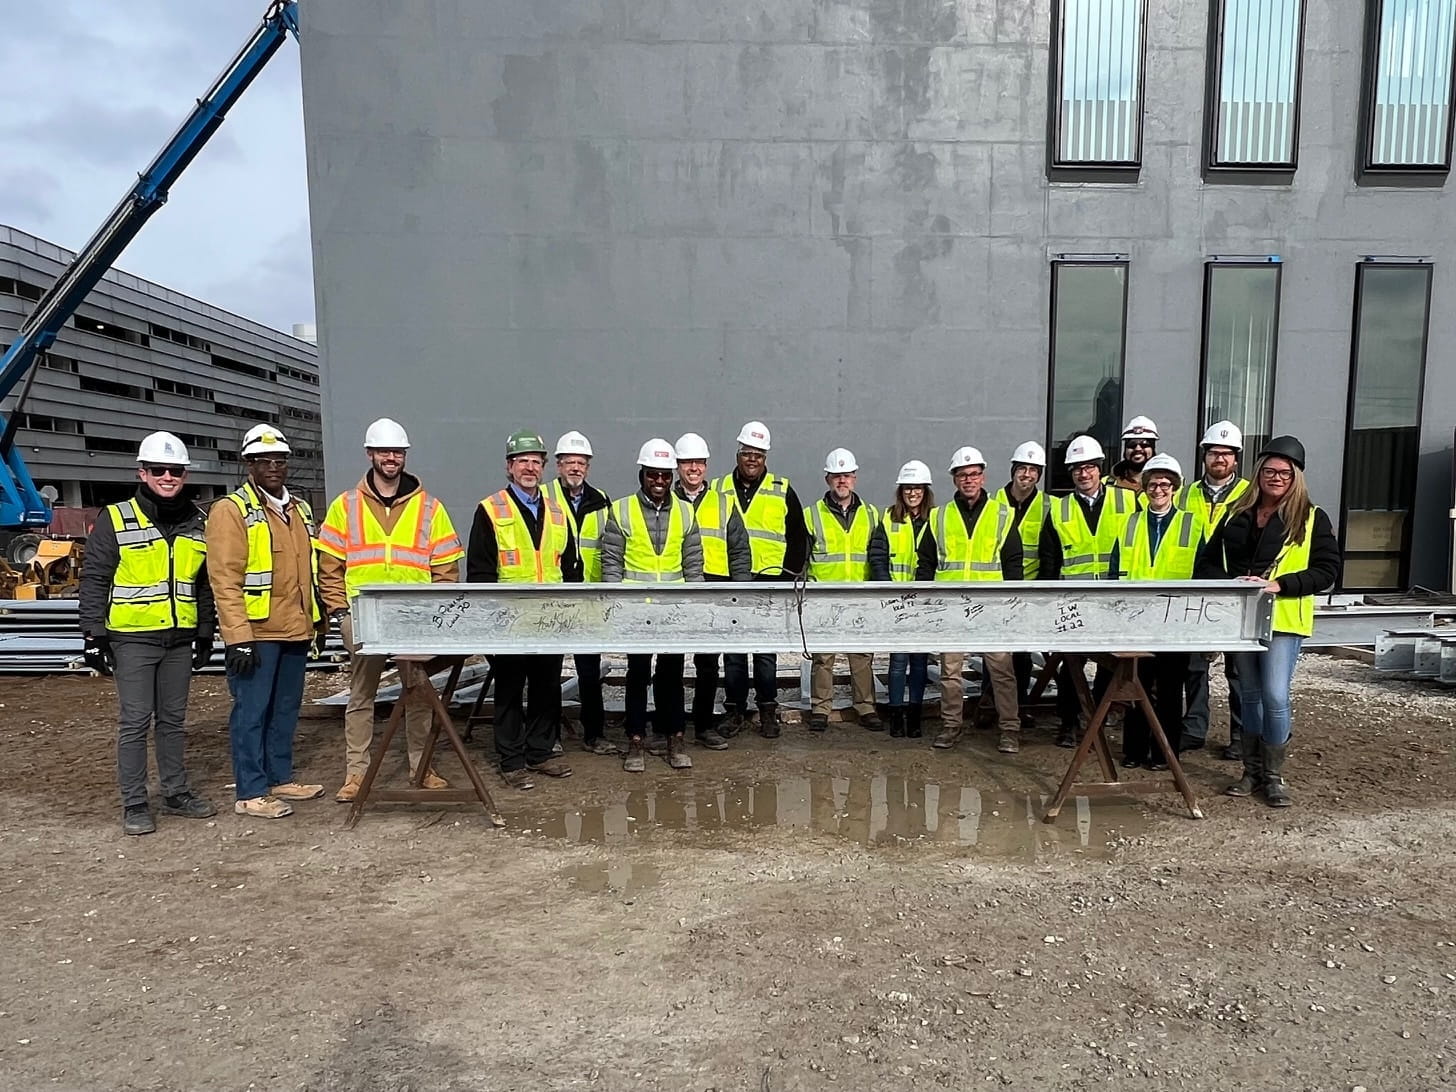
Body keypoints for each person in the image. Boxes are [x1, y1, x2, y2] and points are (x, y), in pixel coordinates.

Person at [316, 418, 465, 803]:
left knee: (417, 692)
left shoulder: (429, 507)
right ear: (370, 454)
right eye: (384, 452)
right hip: (364, 616)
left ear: (404, 456)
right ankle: (356, 774)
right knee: (361, 694)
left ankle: (421, 767)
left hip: (412, 617)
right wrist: (339, 613)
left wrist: (434, 615)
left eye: (397, 452)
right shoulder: (345, 506)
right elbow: (329, 565)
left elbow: (446, 568)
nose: (391, 458)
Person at [79, 431, 217, 835]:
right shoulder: (117, 518)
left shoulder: (198, 522)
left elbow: (203, 583)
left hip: (179, 637)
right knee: (135, 721)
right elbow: (95, 578)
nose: (168, 477)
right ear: (143, 472)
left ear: (185, 474)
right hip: (132, 639)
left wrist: (205, 633)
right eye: (159, 470)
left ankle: (176, 793)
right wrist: (93, 635)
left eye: (175, 470)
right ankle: (135, 803)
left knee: (173, 720)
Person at [1197, 436, 1340, 807]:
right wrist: (1230, 583)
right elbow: (1208, 562)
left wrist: (1281, 584)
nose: (1276, 478)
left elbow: (1326, 571)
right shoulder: (1236, 514)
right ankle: (1251, 771)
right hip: (1243, 617)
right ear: (1258, 474)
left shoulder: (1311, 517)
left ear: (1296, 479)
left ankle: (1274, 775)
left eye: (1284, 473)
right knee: (1249, 696)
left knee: (1275, 696)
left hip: (1284, 618)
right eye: (1270, 471)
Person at [206, 424, 325, 819]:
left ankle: (280, 776)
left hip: (294, 627)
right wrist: (238, 637)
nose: (273, 467)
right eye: (263, 460)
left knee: (286, 707)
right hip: (256, 634)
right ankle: (251, 790)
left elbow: (308, 569)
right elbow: (225, 578)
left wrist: (316, 621)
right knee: (251, 712)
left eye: (279, 460)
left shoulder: (299, 510)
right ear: (248, 464)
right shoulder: (232, 510)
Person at [465, 430, 581, 790]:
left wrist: (570, 612)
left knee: (547, 686)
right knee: (511, 688)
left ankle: (540, 752)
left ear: (544, 468)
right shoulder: (490, 509)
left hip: (549, 616)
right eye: (522, 461)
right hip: (509, 619)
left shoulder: (559, 513)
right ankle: (512, 760)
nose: (529, 468)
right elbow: (480, 572)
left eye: (536, 462)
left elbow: (571, 568)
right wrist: (490, 622)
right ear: (509, 467)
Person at [601, 439, 705, 772]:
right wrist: (615, 605)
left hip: (671, 610)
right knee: (637, 674)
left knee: (672, 675)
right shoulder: (621, 510)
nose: (659, 482)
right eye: (653, 476)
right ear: (642, 474)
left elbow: (693, 564)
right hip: (636, 609)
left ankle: (675, 737)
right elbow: (612, 562)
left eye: (664, 476)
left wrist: (694, 605)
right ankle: (635, 741)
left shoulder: (686, 513)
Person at [1039, 434, 1138, 747]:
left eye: (1089, 467)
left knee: (1110, 666)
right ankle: (1068, 722)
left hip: (1113, 598)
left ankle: (1095, 718)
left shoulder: (1127, 501)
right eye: (1077, 469)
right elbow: (1049, 558)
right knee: (1071, 665)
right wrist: (1050, 599)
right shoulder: (1060, 509)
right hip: (1074, 600)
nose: (1084, 473)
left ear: (1099, 469)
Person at [925, 446, 1023, 753]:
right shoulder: (938, 517)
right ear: (954, 479)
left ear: (983, 477)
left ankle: (1009, 729)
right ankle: (951, 725)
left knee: (1002, 671)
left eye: (974, 474)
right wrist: (928, 605)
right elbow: (926, 563)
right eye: (963, 475)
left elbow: (1013, 563)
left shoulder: (1002, 515)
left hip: (991, 607)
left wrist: (1011, 603)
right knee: (950, 671)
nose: (969, 480)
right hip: (952, 607)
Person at [1109, 454, 1202, 768]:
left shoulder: (1192, 524)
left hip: (1176, 620)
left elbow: (1204, 575)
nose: (1158, 489)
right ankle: (1134, 750)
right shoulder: (1129, 524)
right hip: (1137, 620)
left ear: (1174, 487)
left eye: (1164, 484)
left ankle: (1165, 753)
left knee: (1171, 688)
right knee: (1136, 685)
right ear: (1144, 488)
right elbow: (1114, 572)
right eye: (1152, 484)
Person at [719, 420, 809, 739]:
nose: (752, 459)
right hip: (731, 581)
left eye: (758, 454)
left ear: (766, 457)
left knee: (765, 652)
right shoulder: (720, 489)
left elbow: (799, 537)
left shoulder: (782, 489)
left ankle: (768, 709)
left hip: (769, 582)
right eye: (747, 453)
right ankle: (735, 710)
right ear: (738, 453)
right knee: (733, 651)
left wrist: (787, 576)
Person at [1177, 420, 1252, 759]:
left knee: (1239, 668)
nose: (1219, 459)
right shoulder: (1186, 494)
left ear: (1236, 459)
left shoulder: (1250, 494)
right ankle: (1193, 729)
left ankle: (1240, 734)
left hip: (1235, 590)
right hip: (1196, 587)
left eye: (1226, 453)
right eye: (1213, 452)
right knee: (1193, 666)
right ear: (1204, 455)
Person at [673, 432, 752, 750]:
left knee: (707, 663)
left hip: (715, 587)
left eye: (699, 463)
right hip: (678, 587)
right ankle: (672, 728)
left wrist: (739, 592)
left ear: (706, 466)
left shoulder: (723, 502)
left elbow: (740, 550)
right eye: (687, 462)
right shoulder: (668, 500)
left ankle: (703, 725)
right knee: (672, 662)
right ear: (678, 466)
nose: (694, 468)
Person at [803, 448, 883, 734]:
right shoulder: (811, 515)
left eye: (847, 475)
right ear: (827, 479)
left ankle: (865, 706)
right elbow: (803, 558)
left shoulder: (872, 514)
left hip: (859, 595)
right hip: (824, 596)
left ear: (855, 479)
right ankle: (821, 707)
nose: (842, 481)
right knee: (823, 656)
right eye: (837, 476)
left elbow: (877, 556)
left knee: (861, 654)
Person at [548, 430, 615, 755]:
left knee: (589, 669)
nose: (575, 468)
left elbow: (609, 547)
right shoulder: (544, 497)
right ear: (558, 465)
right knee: (549, 669)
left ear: (588, 466)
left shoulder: (600, 500)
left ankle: (595, 734)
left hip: (589, 596)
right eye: (569, 462)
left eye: (581, 463)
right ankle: (549, 736)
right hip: (555, 597)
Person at [867, 459, 937, 737]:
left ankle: (915, 716)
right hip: (897, 602)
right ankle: (896, 716)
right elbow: (878, 557)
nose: (912, 493)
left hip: (923, 601)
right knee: (897, 661)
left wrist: (926, 591)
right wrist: (888, 590)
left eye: (917, 488)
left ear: (925, 490)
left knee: (919, 661)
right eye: (908, 488)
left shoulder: (936, 519)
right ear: (901, 491)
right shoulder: (888, 519)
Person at [995, 440, 1048, 716]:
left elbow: (1050, 551)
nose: (1027, 475)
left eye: (1033, 470)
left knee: (1022, 654)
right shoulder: (993, 503)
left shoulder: (1048, 505)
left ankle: (1021, 705)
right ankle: (992, 705)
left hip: (1029, 589)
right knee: (994, 653)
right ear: (1013, 470)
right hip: (996, 588)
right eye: (1022, 468)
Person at [1106, 415, 1159, 494]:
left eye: (1144, 444)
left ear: (1153, 448)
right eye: (1132, 445)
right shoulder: (1106, 484)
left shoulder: (1169, 482)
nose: (1138, 449)